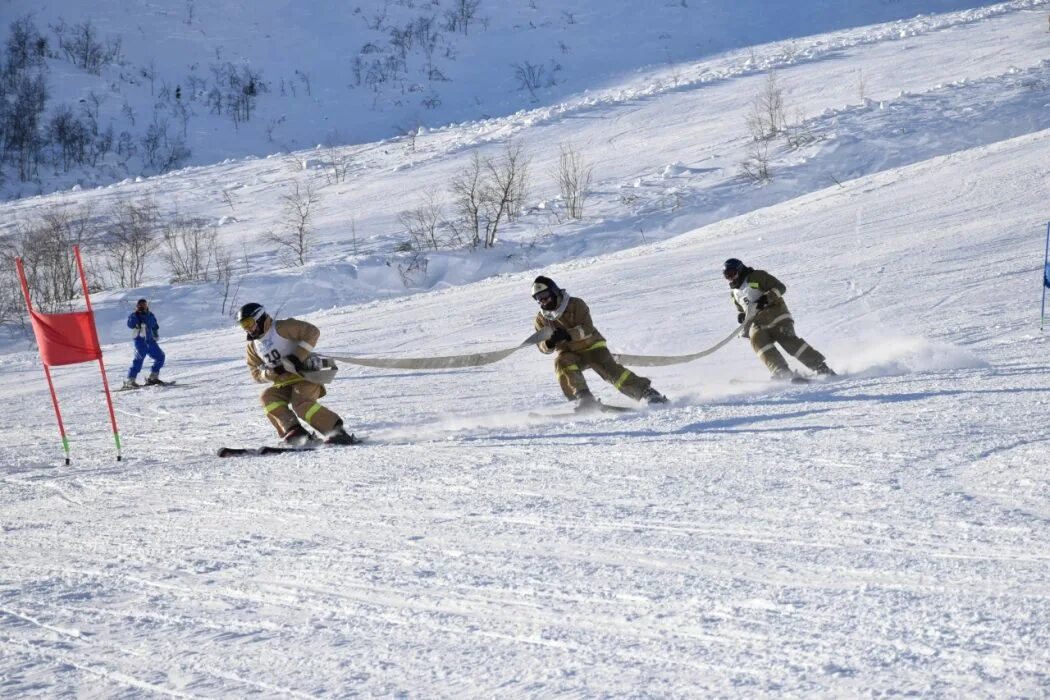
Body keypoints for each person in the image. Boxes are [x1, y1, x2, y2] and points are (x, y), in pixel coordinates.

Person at [532, 276, 668, 411]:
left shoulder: (575, 304)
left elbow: (587, 328)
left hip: (591, 346)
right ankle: (584, 399)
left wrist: (568, 335)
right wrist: (549, 343)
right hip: (569, 353)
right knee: (561, 363)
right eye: (538, 298)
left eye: (544, 295)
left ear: (554, 292)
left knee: (608, 368)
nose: (543, 301)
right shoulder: (541, 319)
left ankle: (647, 393)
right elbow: (542, 346)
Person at [236, 302, 358, 446]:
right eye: (243, 325)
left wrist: (296, 357)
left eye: (249, 322)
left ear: (259, 317)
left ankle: (335, 431)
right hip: (284, 381)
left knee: (301, 404)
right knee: (267, 397)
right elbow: (255, 373)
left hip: (305, 375)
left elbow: (312, 332)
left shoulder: (282, 327)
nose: (247, 328)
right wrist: (271, 373)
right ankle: (295, 432)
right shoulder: (253, 346)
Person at [723, 258, 836, 382]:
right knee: (757, 341)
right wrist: (742, 315)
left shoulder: (756, 276)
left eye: (732, 274)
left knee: (787, 340)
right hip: (758, 323)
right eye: (727, 276)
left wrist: (766, 299)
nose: (731, 278)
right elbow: (743, 309)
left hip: (776, 314)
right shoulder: (734, 294)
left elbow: (780, 288)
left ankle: (819, 366)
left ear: (739, 270)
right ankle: (782, 371)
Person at [123, 298, 166, 389]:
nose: (142, 307)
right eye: (140, 305)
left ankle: (153, 377)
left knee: (160, 356)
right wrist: (136, 315)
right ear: (137, 306)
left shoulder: (150, 315)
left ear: (147, 306)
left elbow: (154, 325)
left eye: (144, 305)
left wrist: (155, 333)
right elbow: (130, 324)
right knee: (139, 359)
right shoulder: (134, 315)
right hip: (140, 341)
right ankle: (130, 380)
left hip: (150, 341)